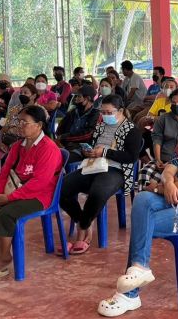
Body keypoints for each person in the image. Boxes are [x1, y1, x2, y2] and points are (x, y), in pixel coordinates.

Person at [97, 103, 178, 317]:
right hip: (174, 198)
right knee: (142, 199)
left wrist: (159, 187)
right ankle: (139, 269)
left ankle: (129, 294)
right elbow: (169, 169)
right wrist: (167, 183)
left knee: (143, 222)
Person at [0, 105, 64, 284]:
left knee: (5, 214)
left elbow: (40, 182)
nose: (20, 126)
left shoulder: (48, 148)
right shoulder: (18, 146)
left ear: (39, 125)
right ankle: (3, 254)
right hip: (13, 190)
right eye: (19, 122)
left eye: (25, 122)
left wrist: (9, 198)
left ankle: (1, 261)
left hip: (40, 196)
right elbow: (5, 172)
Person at [60, 94, 142, 253]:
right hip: (94, 166)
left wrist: (105, 152)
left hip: (116, 170)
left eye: (109, 112)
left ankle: (82, 229)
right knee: (61, 189)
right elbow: (92, 144)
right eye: (103, 112)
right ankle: (82, 220)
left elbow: (131, 157)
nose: (105, 115)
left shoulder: (132, 130)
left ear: (120, 111)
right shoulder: (100, 126)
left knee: (97, 193)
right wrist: (87, 151)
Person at [139, 89, 178, 192]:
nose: (176, 105)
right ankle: (146, 199)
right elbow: (157, 139)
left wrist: (173, 163)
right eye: (173, 103)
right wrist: (158, 160)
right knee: (144, 172)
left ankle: (166, 198)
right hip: (163, 158)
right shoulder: (163, 119)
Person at [55, 84, 101, 162]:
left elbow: (88, 134)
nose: (76, 99)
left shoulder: (95, 114)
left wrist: (65, 137)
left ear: (87, 98)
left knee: (59, 159)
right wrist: (60, 140)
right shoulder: (73, 112)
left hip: (81, 149)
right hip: (65, 145)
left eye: (79, 97)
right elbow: (60, 128)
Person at [0, 82, 37, 153]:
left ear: (33, 96)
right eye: (21, 93)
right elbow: (5, 128)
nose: (22, 95)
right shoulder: (15, 109)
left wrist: (17, 145)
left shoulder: (38, 111)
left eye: (25, 93)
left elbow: (36, 135)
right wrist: (0, 142)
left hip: (25, 145)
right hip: (8, 140)